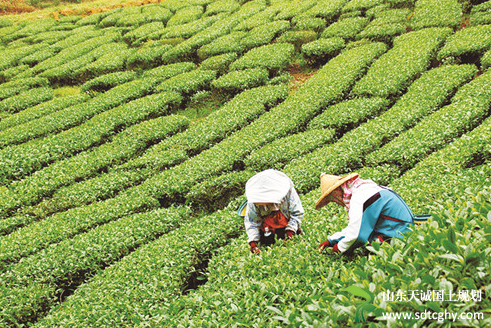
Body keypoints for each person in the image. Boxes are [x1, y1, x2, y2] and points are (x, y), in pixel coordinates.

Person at [316, 173, 416, 255]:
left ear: (337, 192)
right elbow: (357, 225)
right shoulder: (365, 189)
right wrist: (332, 240)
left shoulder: (361, 197)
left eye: (334, 199)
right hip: (403, 231)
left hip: (399, 239)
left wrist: (338, 248)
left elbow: (357, 236)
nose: (337, 203)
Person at [243, 169, 304, 254]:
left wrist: (289, 233)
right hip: (267, 232)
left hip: (287, 226)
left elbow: (296, 213)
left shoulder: (287, 192)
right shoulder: (253, 200)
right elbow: (252, 222)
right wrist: (253, 243)